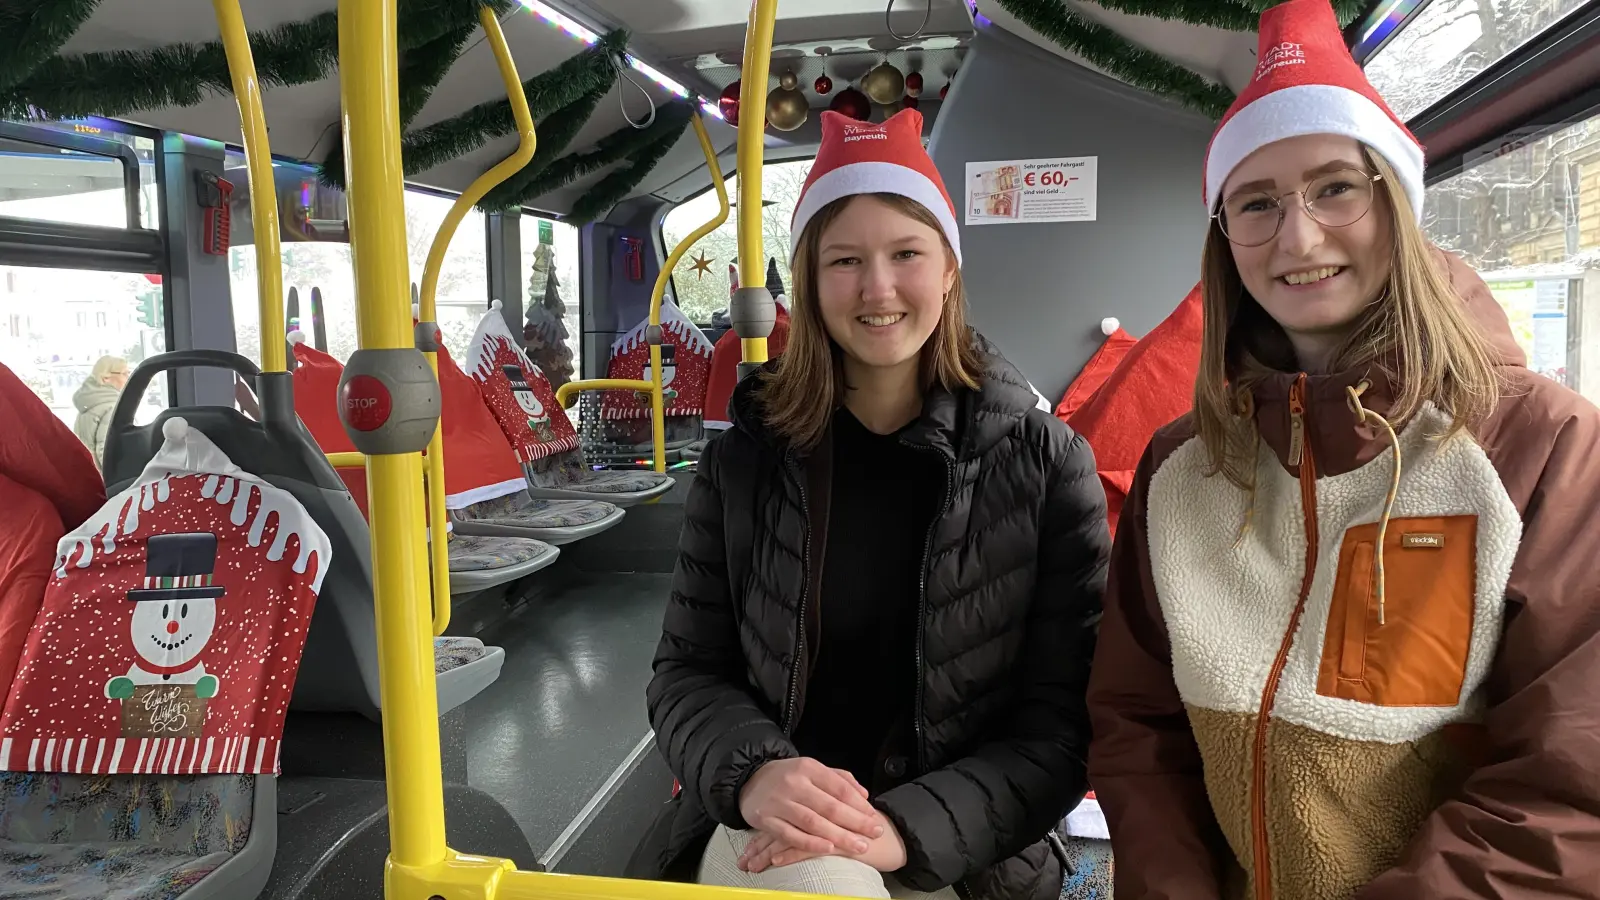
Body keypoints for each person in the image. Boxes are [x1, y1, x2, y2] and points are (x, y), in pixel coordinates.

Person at [1086, 1, 1600, 898]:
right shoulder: (1180, 468)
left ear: (1396, 203)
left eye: (1335, 187)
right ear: (1224, 238)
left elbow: (1566, 785)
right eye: (1256, 202)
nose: (1299, 236)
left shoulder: (1544, 449)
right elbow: (1140, 728)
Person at [628, 108, 1109, 900]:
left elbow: (1059, 730)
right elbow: (685, 674)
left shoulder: (1047, 467)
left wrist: (902, 831)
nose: (877, 288)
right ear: (812, 283)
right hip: (772, 831)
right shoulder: (743, 461)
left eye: (906, 254)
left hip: (969, 850)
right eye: (845, 260)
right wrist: (755, 774)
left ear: (949, 269)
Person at [72, 354, 128, 468]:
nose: (128, 377)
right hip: (105, 479)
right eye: (124, 373)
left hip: (86, 472)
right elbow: (106, 451)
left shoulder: (88, 403)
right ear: (106, 378)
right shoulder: (111, 407)